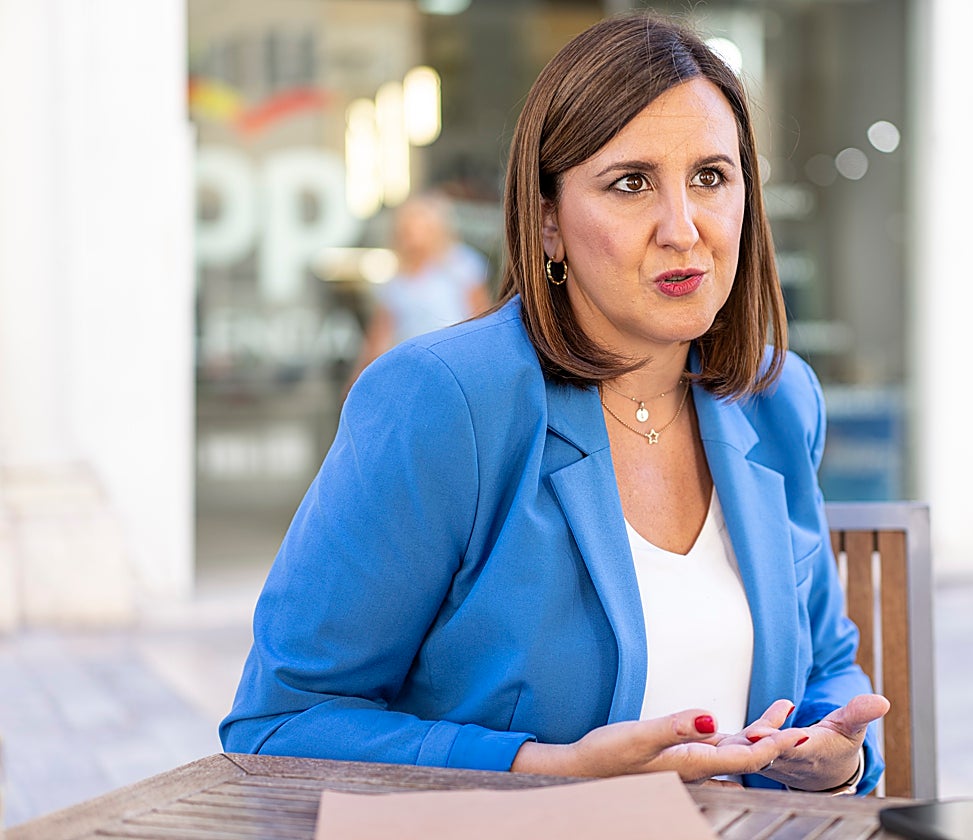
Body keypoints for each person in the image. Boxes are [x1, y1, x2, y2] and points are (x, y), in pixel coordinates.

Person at [221, 12, 889, 794]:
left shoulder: (777, 398)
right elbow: (279, 726)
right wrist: (547, 769)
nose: (684, 230)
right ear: (547, 221)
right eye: (631, 183)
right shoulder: (445, 401)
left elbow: (828, 665)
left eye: (711, 177)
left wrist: (835, 759)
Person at [347, 192, 489, 386]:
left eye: (417, 226)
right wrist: (359, 379)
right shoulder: (396, 278)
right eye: (405, 228)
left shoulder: (461, 264)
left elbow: (481, 319)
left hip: (454, 368)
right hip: (412, 372)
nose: (410, 234)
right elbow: (379, 335)